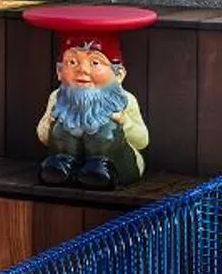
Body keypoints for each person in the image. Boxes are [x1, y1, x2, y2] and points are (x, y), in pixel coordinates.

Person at [36, 28, 150, 189]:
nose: (82, 70)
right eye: (72, 62)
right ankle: (61, 169)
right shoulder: (57, 97)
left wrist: (126, 122)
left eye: (95, 63)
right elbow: (44, 137)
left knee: (107, 131)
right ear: (60, 71)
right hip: (68, 162)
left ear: (118, 75)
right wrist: (49, 122)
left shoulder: (125, 100)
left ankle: (102, 171)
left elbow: (142, 141)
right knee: (60, 129)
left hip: (119, 163)